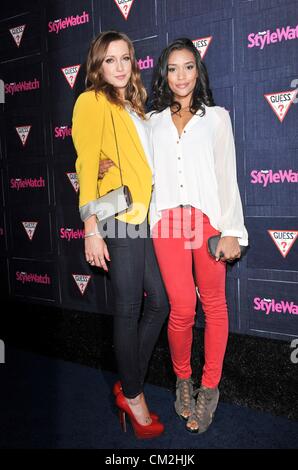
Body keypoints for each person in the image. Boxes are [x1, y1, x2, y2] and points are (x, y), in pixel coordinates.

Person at [99, 37, 248, 434]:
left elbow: (226, 176)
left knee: (214, 305)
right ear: (163, 73)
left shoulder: (217, 118)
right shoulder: (152, 122)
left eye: (189, 67)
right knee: (180, 308)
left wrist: (232, 230)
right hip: (167, 223)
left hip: (208, 223)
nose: (181, 75)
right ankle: (183, 382)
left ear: (198, 72)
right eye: (172, 68)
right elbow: (138, 171)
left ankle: (209, 388)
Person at [72, 30, 168, 439]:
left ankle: (128, 383)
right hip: (114, 217)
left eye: (125, 58)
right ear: (98, 64)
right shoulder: (91, 101)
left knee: (159, 304)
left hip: (141, 217)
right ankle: (133, 394)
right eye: (109, 60)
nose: (118, 67)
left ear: (133, 62)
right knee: (129, 309)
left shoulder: (134, 105)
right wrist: (91, 228)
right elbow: (86, 162)